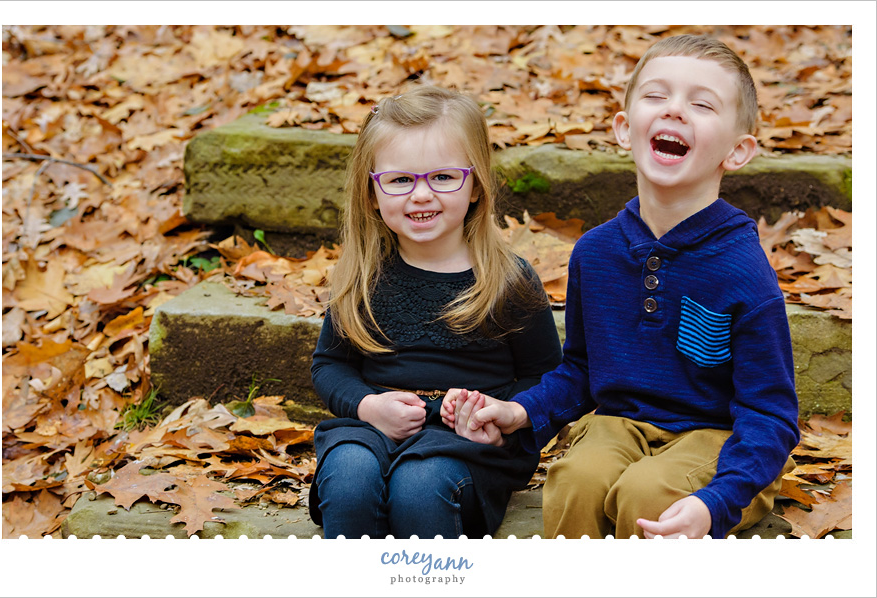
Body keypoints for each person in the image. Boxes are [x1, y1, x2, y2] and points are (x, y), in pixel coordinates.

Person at [443, 34, 800, 539]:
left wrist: (718, 501)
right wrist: (520, 412)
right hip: (617, 425)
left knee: (649, 494)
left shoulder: (741, 268)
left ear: (738, 151)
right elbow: (583, 369)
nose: (674, 110)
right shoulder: (597, 251)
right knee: (576, 480)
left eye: (701, 104)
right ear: (623, 127)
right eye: (656, 96)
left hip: (719, 440)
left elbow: (771, 412)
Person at [308, 85, 563, 539]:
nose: (421, 195)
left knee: (419, 487)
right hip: (372, 426)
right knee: (348, 480)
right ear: (371, 193)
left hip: (465, 445)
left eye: (443, 177)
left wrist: (504, 417)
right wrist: (368, 406)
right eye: (401, 180)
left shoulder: (507, 279)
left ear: (476, 187)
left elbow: (545, 376)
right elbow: (331, 365)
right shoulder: (364, 275)